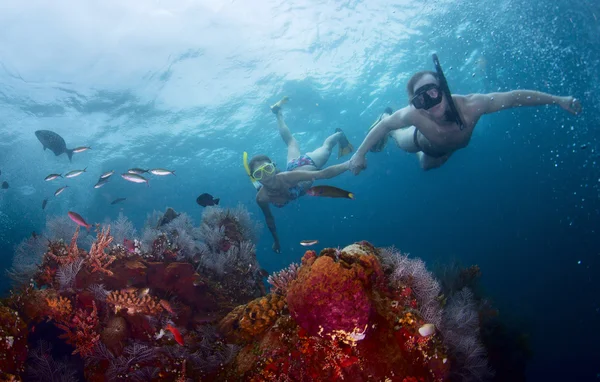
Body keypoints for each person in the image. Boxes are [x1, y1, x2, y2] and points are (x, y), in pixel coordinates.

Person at [350, 54, 582, 172]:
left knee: (428, 167)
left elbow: (513, 98)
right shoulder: (413, 115)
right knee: (403, 141)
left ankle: (438, 154)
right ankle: (391, 125)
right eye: (421, 99)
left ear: (443, 88)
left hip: (447, 149)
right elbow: (385, 126)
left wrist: (558, 100)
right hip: (421, 142)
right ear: (415, 104)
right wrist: (359, 155)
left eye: (432, 92)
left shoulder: (472, 105)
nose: (430, 103)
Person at [248, 96, 354, 253]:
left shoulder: (285, 178)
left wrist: (349, 164)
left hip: (308, 165)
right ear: (255, 178)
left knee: (326, 148)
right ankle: (277, 113)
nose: (266, 176)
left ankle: (339, 134)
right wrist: (276, 241)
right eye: (259, 173)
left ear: (274, 168)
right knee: (290, 142)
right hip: (292, 166)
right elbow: (269, 219)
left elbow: (323, 174)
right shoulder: (261, 198)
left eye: (268, 169)